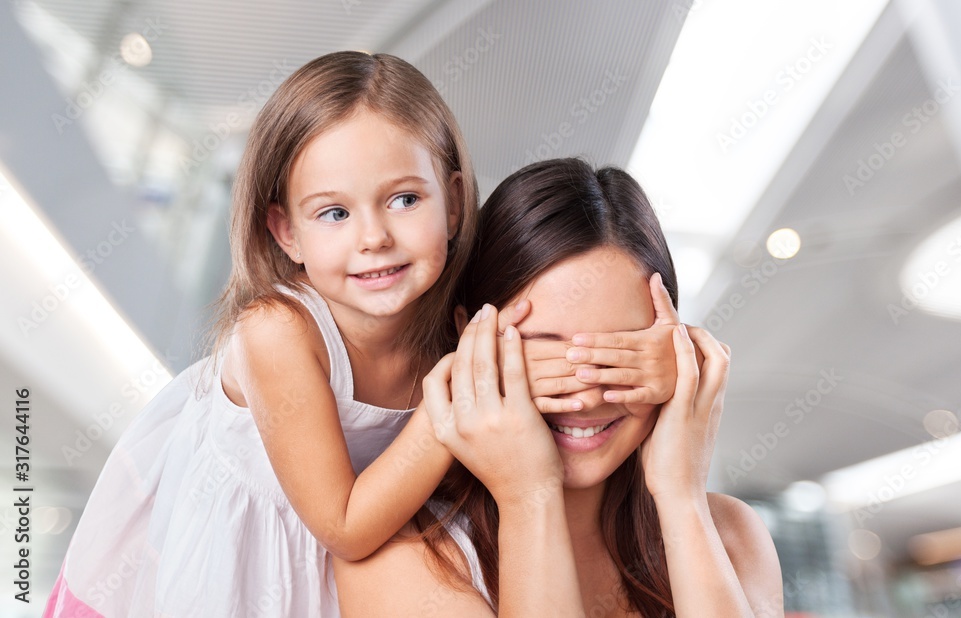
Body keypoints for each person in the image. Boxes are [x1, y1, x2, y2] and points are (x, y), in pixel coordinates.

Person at [43, 51, 499, 617]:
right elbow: (345, 525)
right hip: (238, 567)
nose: (374, 236)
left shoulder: (454, 325)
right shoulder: (277, 331)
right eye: (334, 213)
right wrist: (444, 407)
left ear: (454, 203)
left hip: (351, 568)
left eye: (404, 199)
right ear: (287, 233)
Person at [335, 158, 784, 617]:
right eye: (543, 354)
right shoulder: (404, 559)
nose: (586, 397)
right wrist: (528, 495)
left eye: (619, 355)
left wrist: (681, 499)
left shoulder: (731, 536)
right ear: (466, 340)